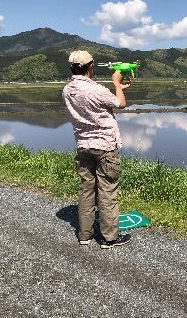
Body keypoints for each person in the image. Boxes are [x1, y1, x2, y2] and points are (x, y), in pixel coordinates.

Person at [62, 50, 131, 249]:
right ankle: (109, 238)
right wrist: (117, 85)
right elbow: (120, 103)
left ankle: (85, 234)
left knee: (86, 189)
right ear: (90, 66)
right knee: (107, 191)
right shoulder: (96, 90)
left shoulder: (68, 90)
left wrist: (118, 87)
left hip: (83, 145)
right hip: (105, 147)